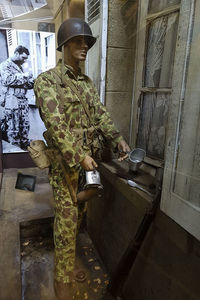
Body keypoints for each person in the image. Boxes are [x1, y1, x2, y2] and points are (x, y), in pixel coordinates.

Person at [34, 18, 130, 300]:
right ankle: (61, 279)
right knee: (65, 220)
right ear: (65, 44)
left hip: (87, 166)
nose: (85, 45)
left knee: (78, 218)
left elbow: (99, 114)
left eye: (87, 41)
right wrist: (79, 155)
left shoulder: (86, 83)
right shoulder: (48, 81)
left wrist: (116, 138)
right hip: (67, 165)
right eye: (78, 40)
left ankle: (67, 264)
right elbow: (55, 123)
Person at [0, 45, 34, 150]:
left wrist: (31, 82)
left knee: (24, 125)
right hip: (12, 100)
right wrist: (26, 76)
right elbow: (7, 80)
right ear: (16, 54)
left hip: (22, 100)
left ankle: (24, 144)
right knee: (13, 127)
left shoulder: (19, 67)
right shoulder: (5, 65)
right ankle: (14, 149)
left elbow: (23, 83)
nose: (24, 61)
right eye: (23, 58)